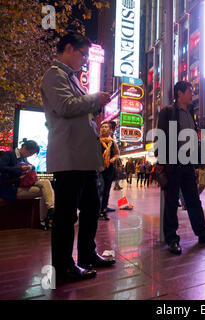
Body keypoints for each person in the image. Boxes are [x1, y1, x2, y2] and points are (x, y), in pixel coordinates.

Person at [40, 33, 115, 282]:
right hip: (69, 158)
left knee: (92, 207)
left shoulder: (71, 78)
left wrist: (95, 108)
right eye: (83, 54)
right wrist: (94, 99)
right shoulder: (54, 75)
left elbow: (77, 108)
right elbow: (66, 106)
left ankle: (87, 254)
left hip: (82, 159)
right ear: (69, 49)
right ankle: (63, 267)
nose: (84, 60)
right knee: (66, 214)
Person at [156, 81, 205, 255]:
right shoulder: (168, 112)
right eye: (189, 91)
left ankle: (202, 233)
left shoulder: (190, 113)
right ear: (179, 93)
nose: (191, 94)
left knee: (193, 200)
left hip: (187, 164)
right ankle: (172, 239)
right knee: (171, 203)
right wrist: (162, 163)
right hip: (172, 164)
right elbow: (161, 137)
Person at [0, 139, 55, 230]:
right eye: (30, 153)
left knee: (46, 183)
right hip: (10, 189)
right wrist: (20, 169)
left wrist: (31, 167)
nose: (29, 155)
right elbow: (1, 168)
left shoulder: (23, 157)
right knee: (45, 191)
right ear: (24, 147)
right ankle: (44, 219)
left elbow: (30, 166)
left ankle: (50, 210)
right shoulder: (9, 154)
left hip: (22, 185)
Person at [98, 122, 120, 220]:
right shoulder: (96, 141)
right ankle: (97, 210)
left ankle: (103, 210)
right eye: (102, 127)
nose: (103, 128)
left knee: (106, 191)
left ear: (110, 130)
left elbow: (117, 154)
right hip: (99, 169)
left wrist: (111, 160)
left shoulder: (112, 142)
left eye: (106, 127)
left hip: (109, 169)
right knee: (100, 190)